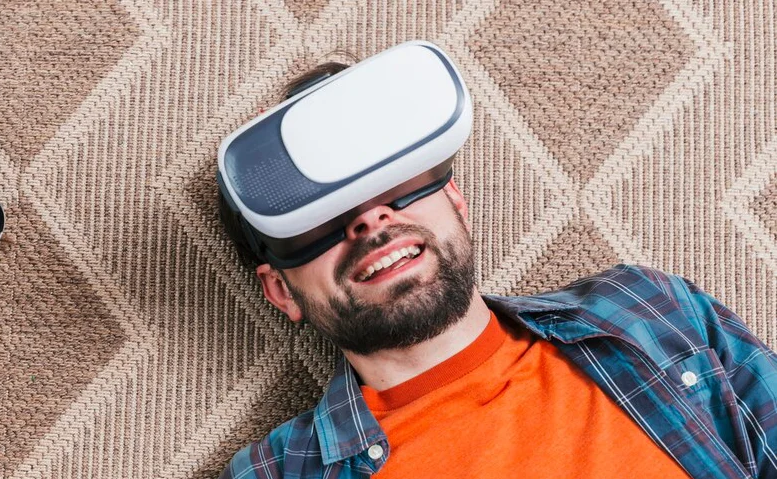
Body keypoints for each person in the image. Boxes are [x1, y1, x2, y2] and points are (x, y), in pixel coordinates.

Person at [217, 53, 777, 478]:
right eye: (313, 219)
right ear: (280, 291)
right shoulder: (274, 473)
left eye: (394, 183)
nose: (369, 219)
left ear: (454, 199)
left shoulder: (648, 308)